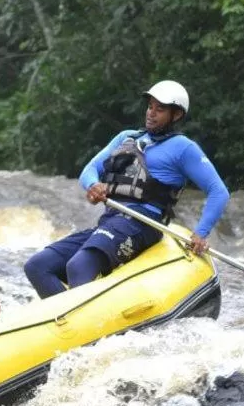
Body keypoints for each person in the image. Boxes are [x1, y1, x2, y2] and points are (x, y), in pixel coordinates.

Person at [23, 80, 230, 299]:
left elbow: (218, 191)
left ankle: (86, 325)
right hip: (111, 222)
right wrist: (93, 185)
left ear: (176, 115)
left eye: (160, 109)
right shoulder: (128, 138)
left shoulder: (183, 148)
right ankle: (64, 321)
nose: (151, 113)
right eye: (150, 106)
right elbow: (90, 170)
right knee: (37, 266)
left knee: (79, 265)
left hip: (142, 225)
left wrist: (201, 233)